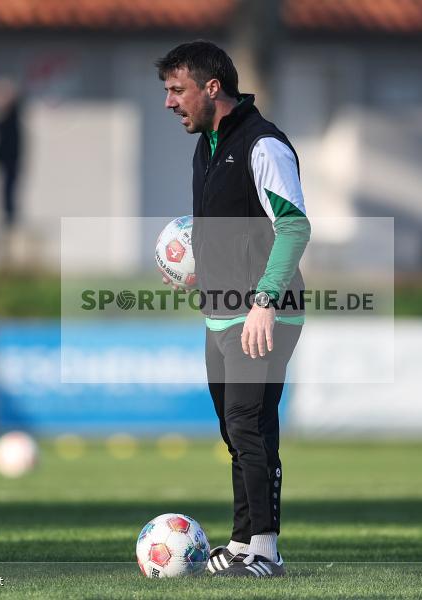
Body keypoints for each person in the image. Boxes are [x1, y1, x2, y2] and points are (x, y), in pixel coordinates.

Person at [155, 40, 310, 577]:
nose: (170, 103)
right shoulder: (207, 144)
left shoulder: (263, 145)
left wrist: (265, 300)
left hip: (265, 311)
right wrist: (196, 269)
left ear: (212, 88)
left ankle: (264, 551)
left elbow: (293, 227)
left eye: (178, 91)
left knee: (249, 423)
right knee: (234, 428)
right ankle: (245, 541)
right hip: (221, 312)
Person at [0, 78, 23, 230]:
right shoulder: (7, 114)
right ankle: (5, 217)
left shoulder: (12, 115)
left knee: (8, 190)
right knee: (3, 189)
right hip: (4, 158)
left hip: (10, 159)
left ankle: (9, 219)